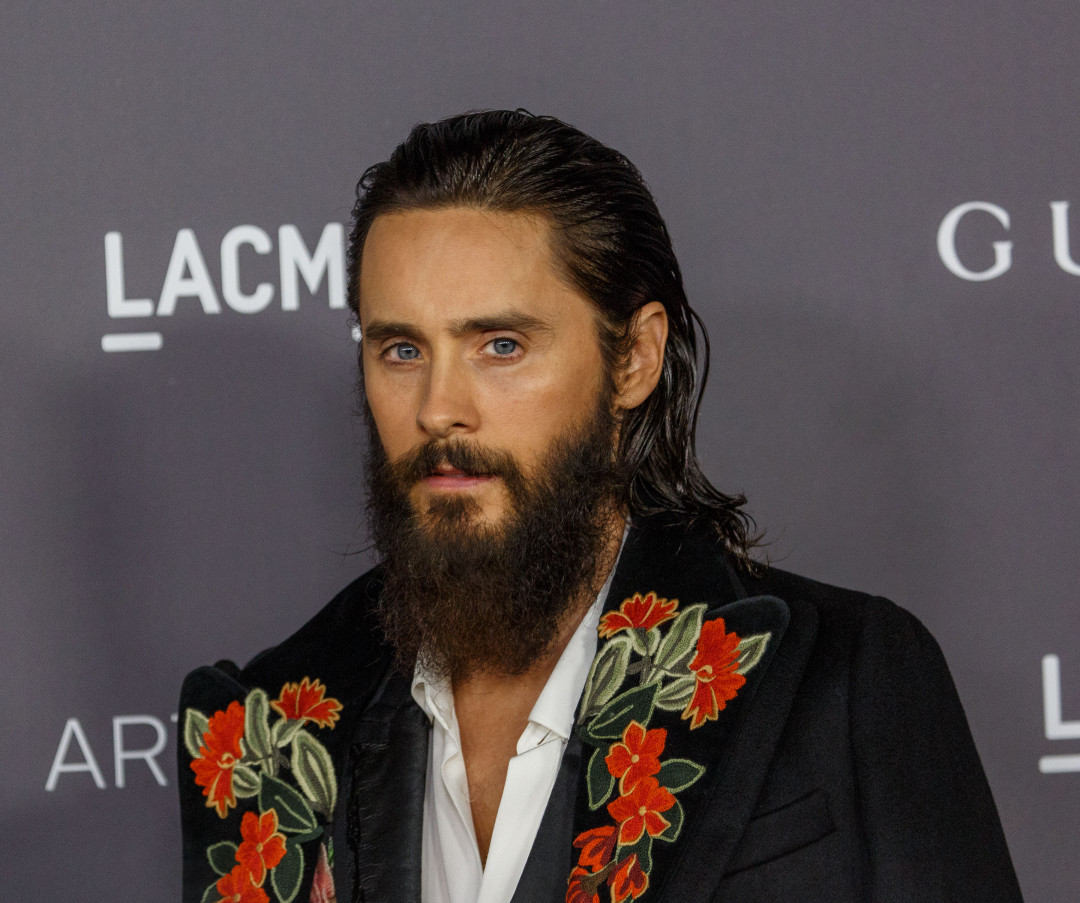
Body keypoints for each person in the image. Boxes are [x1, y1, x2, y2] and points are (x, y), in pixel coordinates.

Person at [178, 110, 1023, 903]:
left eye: (500, 345)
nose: (438, 408)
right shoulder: (272, 727)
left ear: (634, 360)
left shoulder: (847, 678)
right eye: (401, 350)